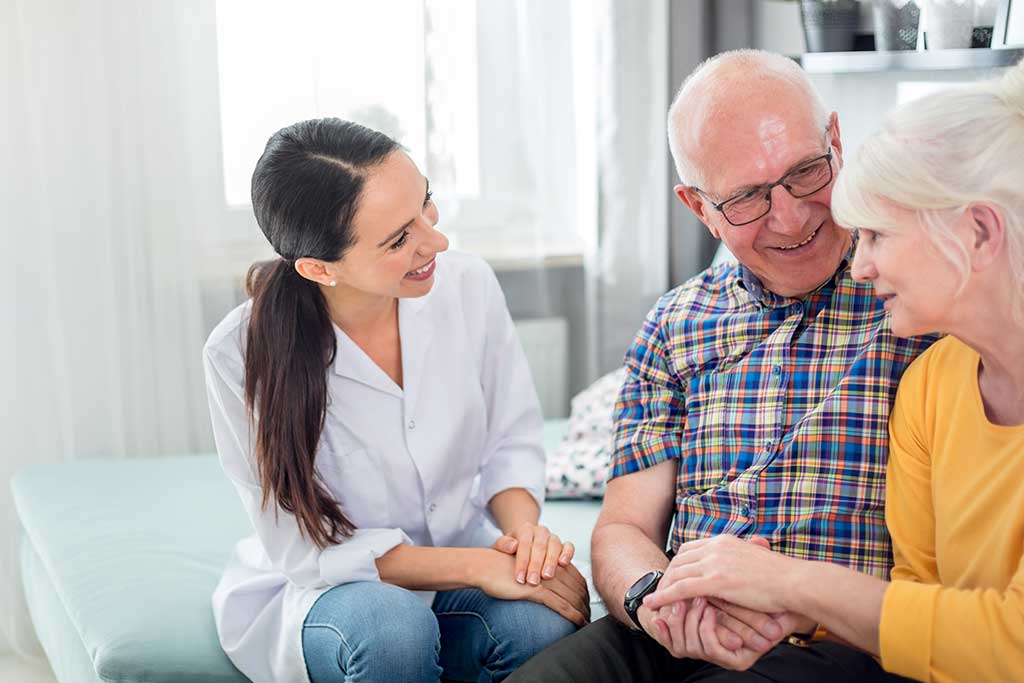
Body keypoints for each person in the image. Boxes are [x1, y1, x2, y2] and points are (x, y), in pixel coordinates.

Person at [509, 49, 934, 682]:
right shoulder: (675, 324)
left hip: (832, 642)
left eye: (807, 173)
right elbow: (624, 525)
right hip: (673, 626)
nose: (791, 217)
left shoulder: (915, 294)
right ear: (697, 206)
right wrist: (651, 599)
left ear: (837, 143)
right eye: (747, 200)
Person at [642, 62, 1024, 683]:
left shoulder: (914, 351)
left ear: (979, 232)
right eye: (747, 197)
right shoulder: (933, 385)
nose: (861, 265)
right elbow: (914, 611)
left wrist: (789, 583)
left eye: (876, 235)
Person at [202, 118, 589, 683]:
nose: (436, 240)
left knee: (543, 624)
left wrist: (525, 537)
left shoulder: (468, 285)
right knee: (394, 629)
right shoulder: (238, 354)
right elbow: (305, 551)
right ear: (318, 268)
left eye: (425, 204)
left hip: (461, 568)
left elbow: (511, 438)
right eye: (398, 239)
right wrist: (479, 567)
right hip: (335, 596)